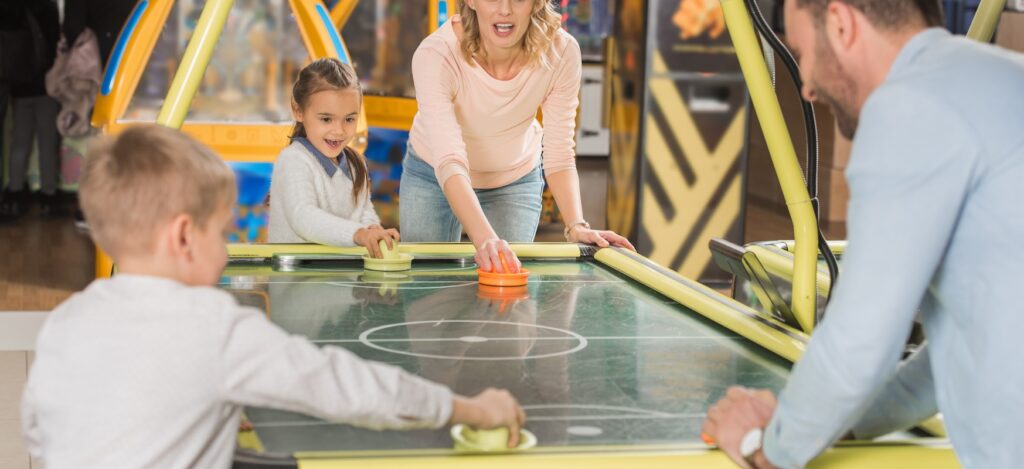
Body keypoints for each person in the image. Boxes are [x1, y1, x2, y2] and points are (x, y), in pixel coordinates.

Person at [20, 124, 526, 468]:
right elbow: (348, 388)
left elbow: (42, 435)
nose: (226, 250)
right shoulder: (215, 327)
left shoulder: (67, 321)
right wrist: (470, 409)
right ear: (183, 237)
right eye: (220, 233)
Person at [701, 1, 1024, 468]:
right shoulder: (998, 79)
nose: (807, 86)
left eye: (803, 53)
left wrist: (762, 448)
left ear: (840, 24)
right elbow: (957, 353)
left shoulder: (910, 104)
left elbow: (860, 340)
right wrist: (831, 423)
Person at [401, 0, 634, 273]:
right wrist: (485, 239)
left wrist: (576, 225)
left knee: (506, 283)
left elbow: (559, 153)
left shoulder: (561, 52)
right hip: (432, 173)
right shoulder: (436, 54)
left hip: (513, 179)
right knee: (426, 281)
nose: (505, 9)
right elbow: (449, 159)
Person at [268, 58, 399, 258]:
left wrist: (373, 229)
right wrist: (359, 234)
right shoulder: (293, 160)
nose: (339, 131)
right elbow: (303, 217)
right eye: (326, 119)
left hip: (339, 271)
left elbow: (363, 211)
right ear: (298, 111)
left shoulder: (356, 164)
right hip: (296, 274)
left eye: (349, 119)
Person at [0, 0, 62, 220]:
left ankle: (14, 194)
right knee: (47, 144)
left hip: (18, 86)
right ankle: (48, 197)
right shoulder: (47, 5)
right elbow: (55, 41)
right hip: (45, 86)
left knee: (19, 143)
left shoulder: (10, 6)